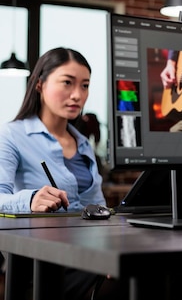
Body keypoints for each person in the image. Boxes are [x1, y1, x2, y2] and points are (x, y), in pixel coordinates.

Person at [0, 47, 124, 299]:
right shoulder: (11, 136)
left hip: (85, 253)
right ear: (39, 85)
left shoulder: (83, 144)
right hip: (40, 260)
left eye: (85, 85)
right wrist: (30, 199)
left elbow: (98, 211)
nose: (77, 95)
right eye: (67, 83)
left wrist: (114, 249)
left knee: (153, 270)